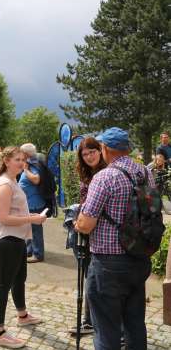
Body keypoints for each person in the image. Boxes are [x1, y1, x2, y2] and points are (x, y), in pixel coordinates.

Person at [73, 127, 155, 350]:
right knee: (135, 327)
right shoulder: (146, 173)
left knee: (106, 331)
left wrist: (76, 222)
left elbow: (86, 224)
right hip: (139, 260)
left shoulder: (105, 177)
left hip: (108, 264)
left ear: (106, 149)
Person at [0, 146, 47, 348]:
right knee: (4, 284)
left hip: (17, 238)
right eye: (17, 159)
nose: (22, 163)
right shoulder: (5, 184)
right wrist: (33, 219)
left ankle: (22, 315)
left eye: (23, 159)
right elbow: (3, 218)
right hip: (7, 239)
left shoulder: (12, 181)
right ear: (6, 161)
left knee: (19, 278)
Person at [70, 137, 107, 336]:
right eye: (85, 154)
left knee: (95, 282)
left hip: (99, 235)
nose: (89, 156)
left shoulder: (105, 172)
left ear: (100, 150)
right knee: (88, 279)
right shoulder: (88, 172)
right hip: (85, 231)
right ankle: (89, 321)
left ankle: (97, 324)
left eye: (92, 151)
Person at [19, 143, 47, 263]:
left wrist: (25, 169)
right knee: (28, 228)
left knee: (35, 230)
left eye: (21, 152)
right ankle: (29, 250)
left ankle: (38, 254)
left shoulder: (34, 163)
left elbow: (36, 179)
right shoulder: (30, 161)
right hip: (29, 201)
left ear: (26, 153)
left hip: (34, 202)